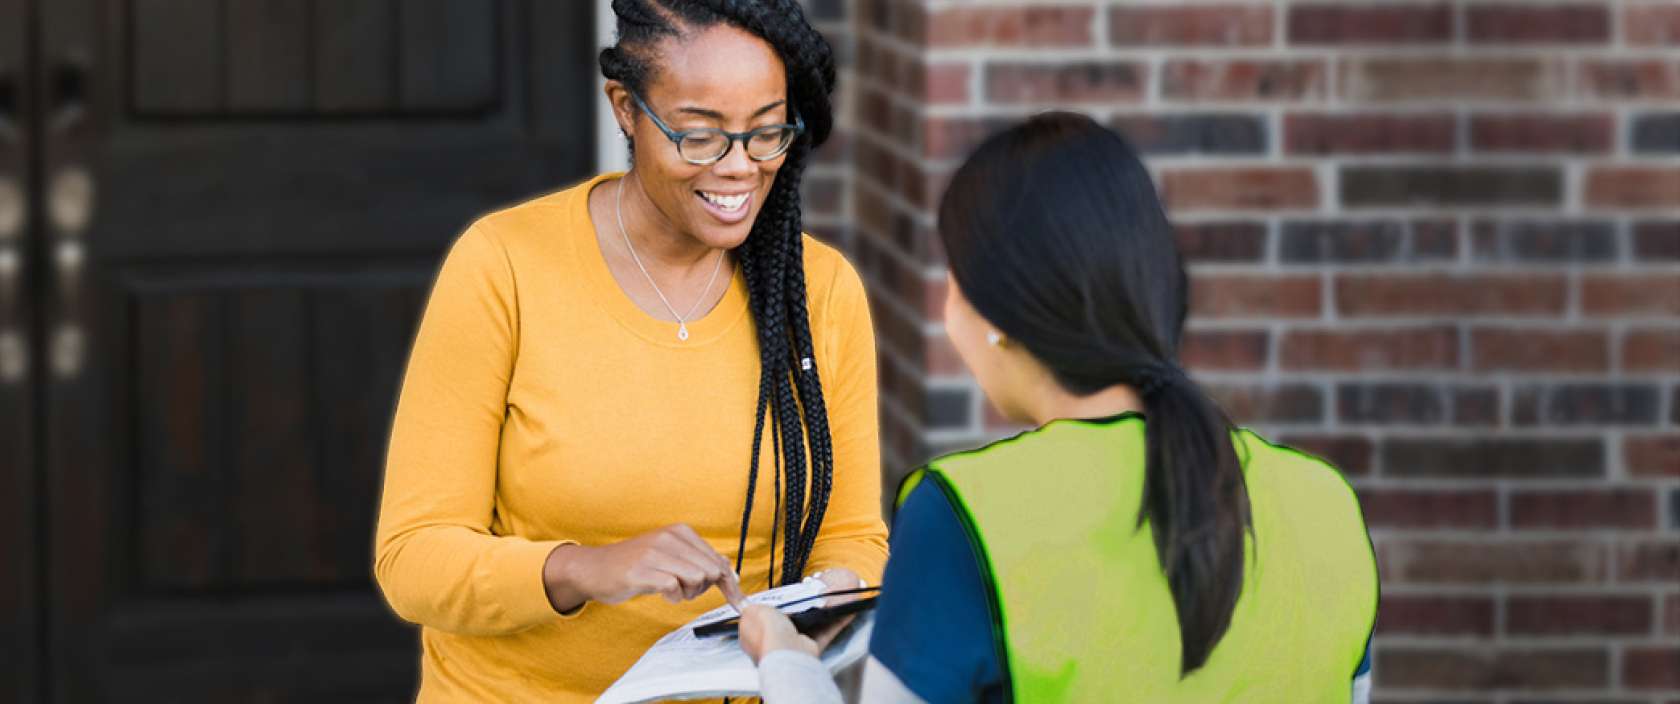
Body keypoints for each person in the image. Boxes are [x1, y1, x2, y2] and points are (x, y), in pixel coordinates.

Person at [739, 113, 1378, 703]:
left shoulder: (959, 516)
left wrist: (785, 661)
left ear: (998, 316)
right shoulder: (1327, 504)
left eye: (952, 277)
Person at [371, 1, 888, 700]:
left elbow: (851, 534)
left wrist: (822, 603)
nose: (740, 169)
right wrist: (586, 568)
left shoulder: (818, 293)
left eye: (768, 134)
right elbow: (414, 559)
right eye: (700, 137)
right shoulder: (505, 266)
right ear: (625, 108)